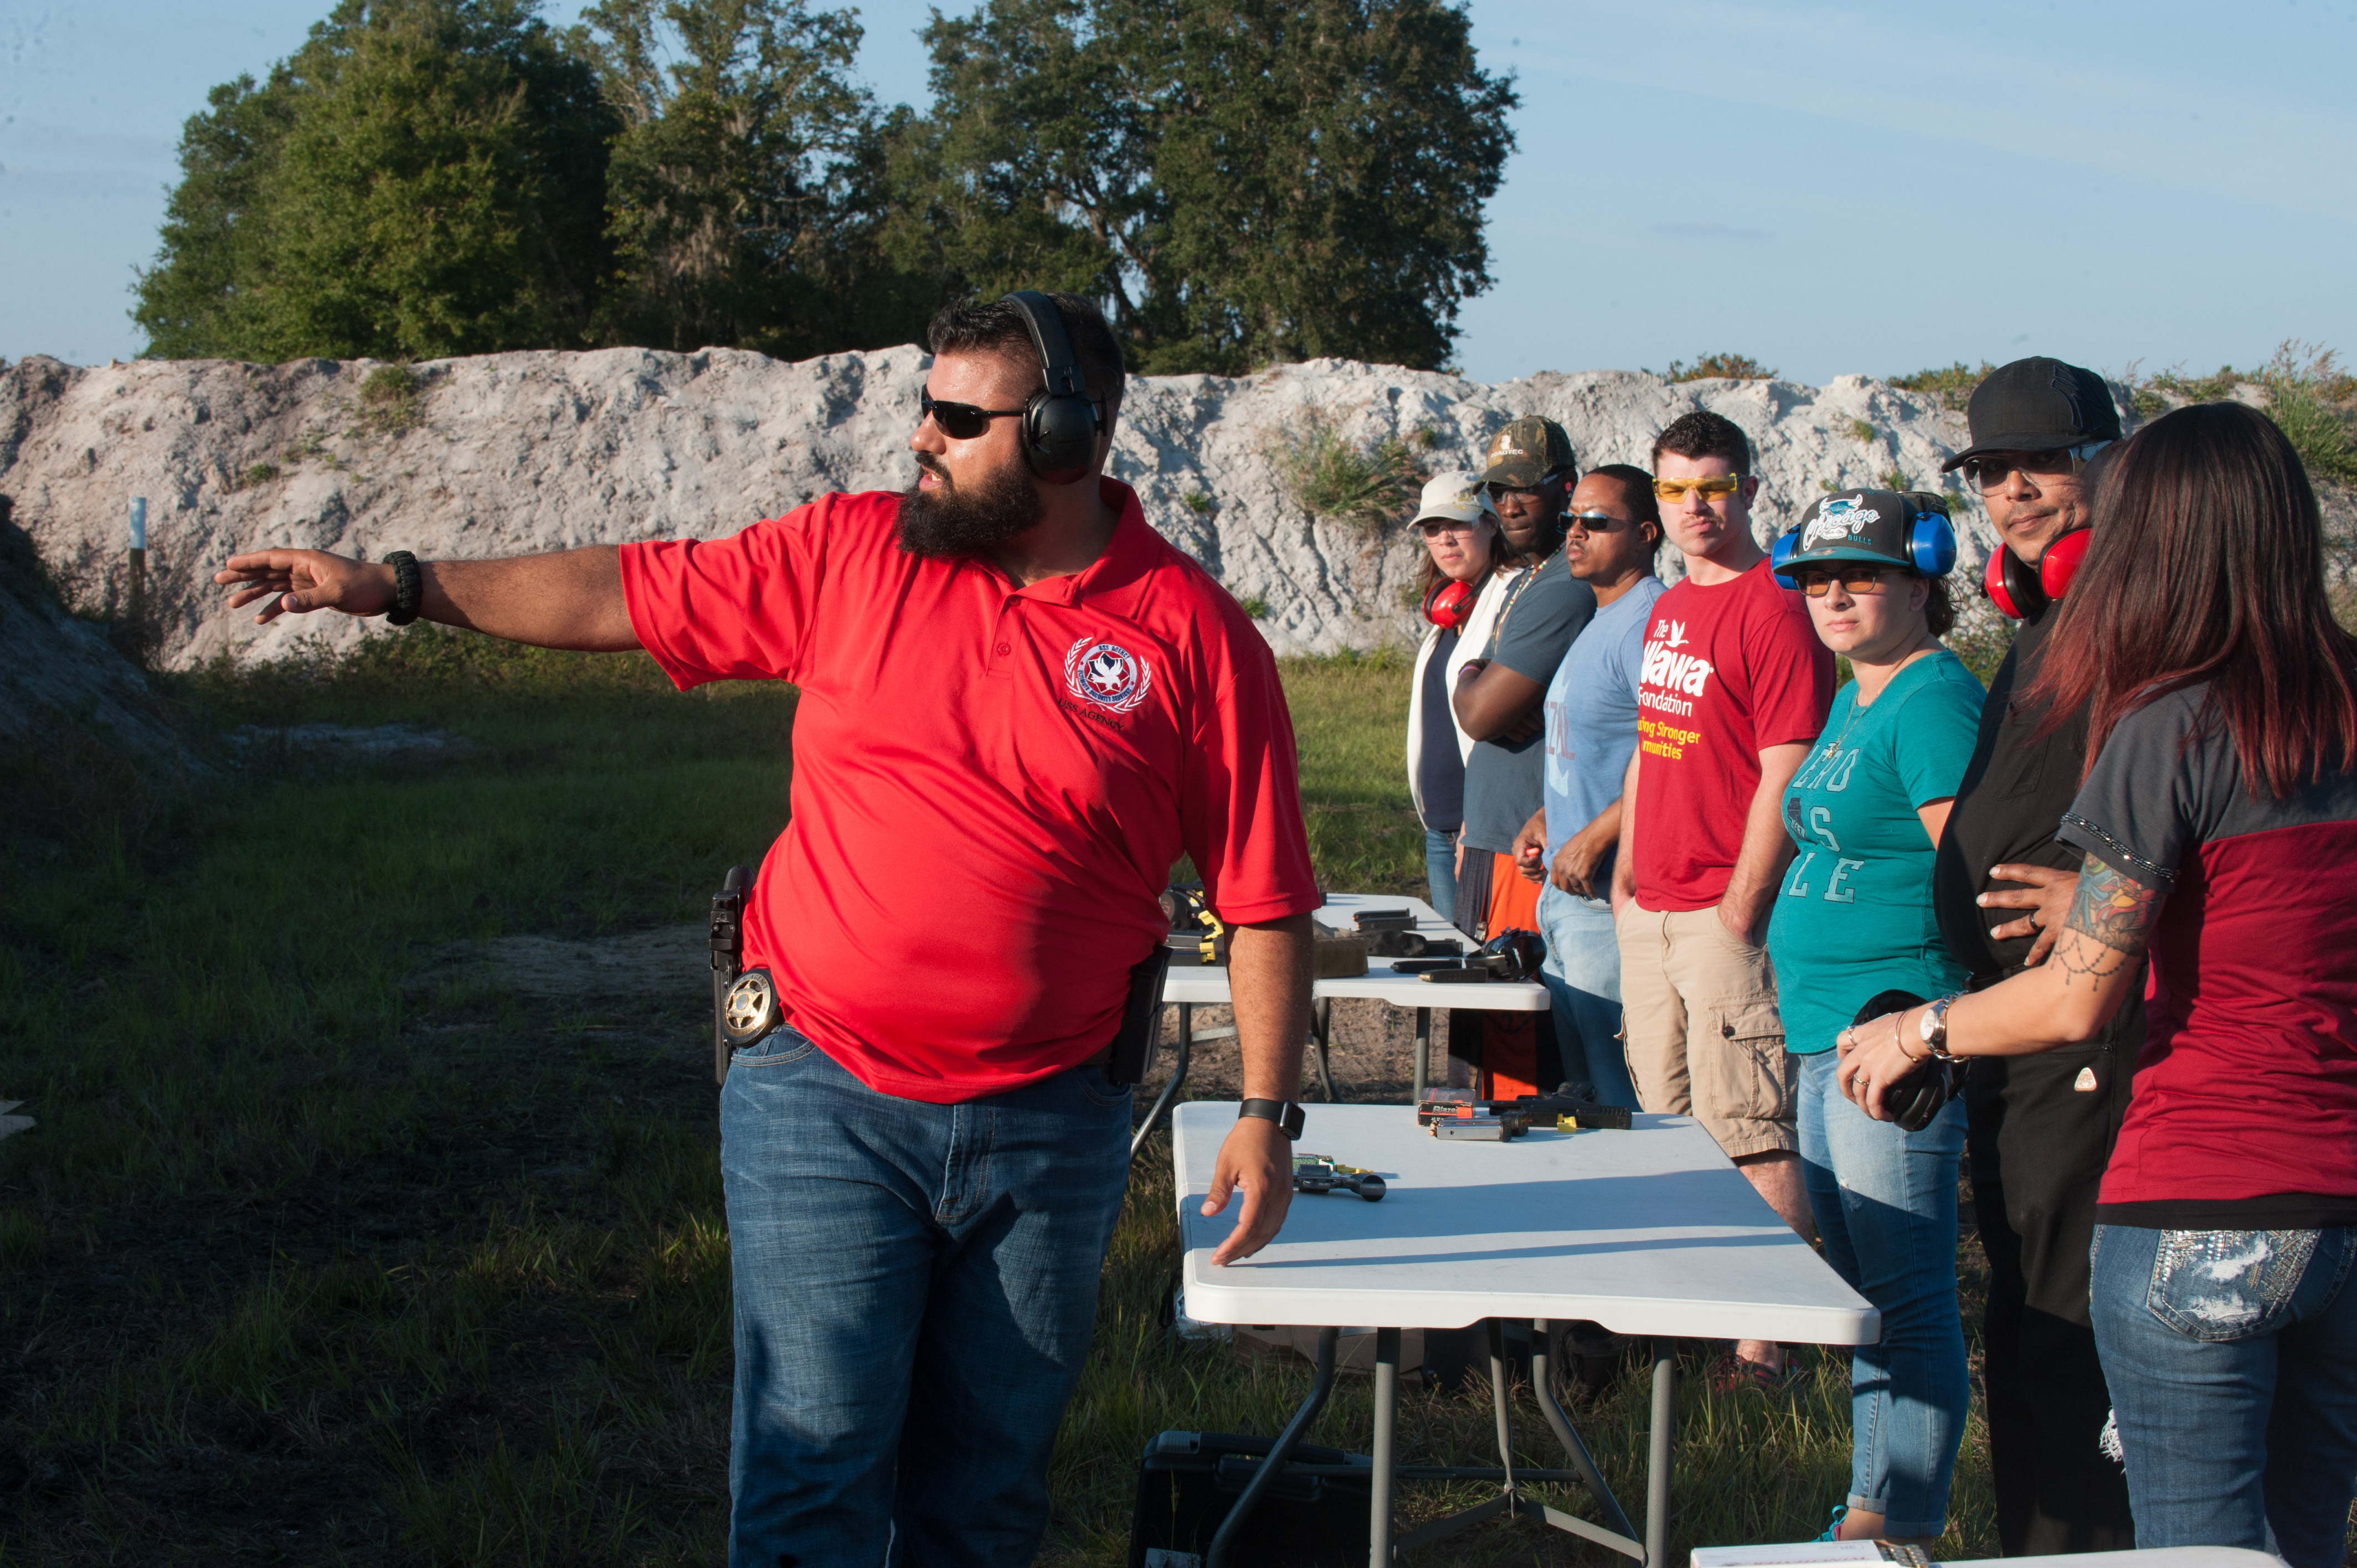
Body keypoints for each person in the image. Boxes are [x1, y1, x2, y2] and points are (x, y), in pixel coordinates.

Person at [210, 291, 1322, 1567]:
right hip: (821, 1095)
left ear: (1065, 438)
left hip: (1051, 1125)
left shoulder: (1193, 637)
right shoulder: (852, 553)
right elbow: (619, 592)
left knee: (986, 1505)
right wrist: (397, 586)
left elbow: (1266, 899)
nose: (922, 434)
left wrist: (1265, 1109)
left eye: (959, 417)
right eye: (926, 403)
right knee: (810, 1488)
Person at [1838, 401, 2357, 1568]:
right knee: (2306, 1540)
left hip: (2202, 1196)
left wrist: (1921, 1032)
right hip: (2345, 1198)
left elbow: (2076, 997)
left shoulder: (2169, 727)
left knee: (2188, 1547)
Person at [1926, 357, 2138, 1552]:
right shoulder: (2047, 617)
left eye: (2040, 464)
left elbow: (2187, 802)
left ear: (2110, 466)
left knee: (2070, 1345)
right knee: (2022, 1325)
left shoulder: (2139, 620)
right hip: (2015, 1037)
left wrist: (2106, 896)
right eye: (1990, 471)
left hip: (2087, 1042)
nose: (2011, 491)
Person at [1763, 490, 1984, 1545]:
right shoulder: (1862, 694)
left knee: (1903, 1288)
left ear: (1921, 579)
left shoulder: (1933, 699)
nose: (1836, 593)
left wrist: (1934, 1018)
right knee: (1863, 1288)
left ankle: (1892, 1525)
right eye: (1815, 576)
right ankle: (1869, 1508)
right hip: (1825, 1031)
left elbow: (1975, 879)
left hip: (1889, 1033)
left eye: (1863, 572)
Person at [1610, 409, 1834, 1379]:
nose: (1695, 506)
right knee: (1666, 1120)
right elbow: (1653, 740)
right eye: (1675, 489)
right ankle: (1697, 1312)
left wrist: (1743, 901)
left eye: (1712, 486)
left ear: (1748, 488)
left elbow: (1787, 767)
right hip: (1650, 904)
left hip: (1719, 910)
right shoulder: (1668, 608)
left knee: (1748, 1126)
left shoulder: (1774, 605)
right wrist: (1622, 870)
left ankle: (1768, 1339)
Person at [1507, 463, 1664, 1108]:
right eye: (1572, 518)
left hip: (1608, 902)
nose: (1575, 532)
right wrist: (1549, 816)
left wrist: (1597, 834)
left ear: (1646, 535)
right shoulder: (1601, 620)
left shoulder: (1648, 622)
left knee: (1618, 1096)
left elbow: (1670, 759)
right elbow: (1598, 748)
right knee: (1582, 1093)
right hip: (1567, 894)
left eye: (1597, 523)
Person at [1449, 416, 1597, 1096]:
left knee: (1514, 1051)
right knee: (1482, 1047)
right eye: (1497, 489)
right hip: (1492, 837)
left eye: (1525, 489)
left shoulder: (1566, 581)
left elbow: (1480, 712)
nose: (1507, 504)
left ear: (1563, 487)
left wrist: (1476, 674)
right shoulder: (1532, 576)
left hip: (1522, 847)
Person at [1406, 472, 1502, 924]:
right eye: (1432, 527)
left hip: (1480, 830)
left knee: (1489, 976)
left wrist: (1478, 822)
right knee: (1458, 972)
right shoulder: (1448, 616)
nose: (1444, 537)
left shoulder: (1511, 604)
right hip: (1441, 829)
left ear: (1490, 524)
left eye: (1458, 523)